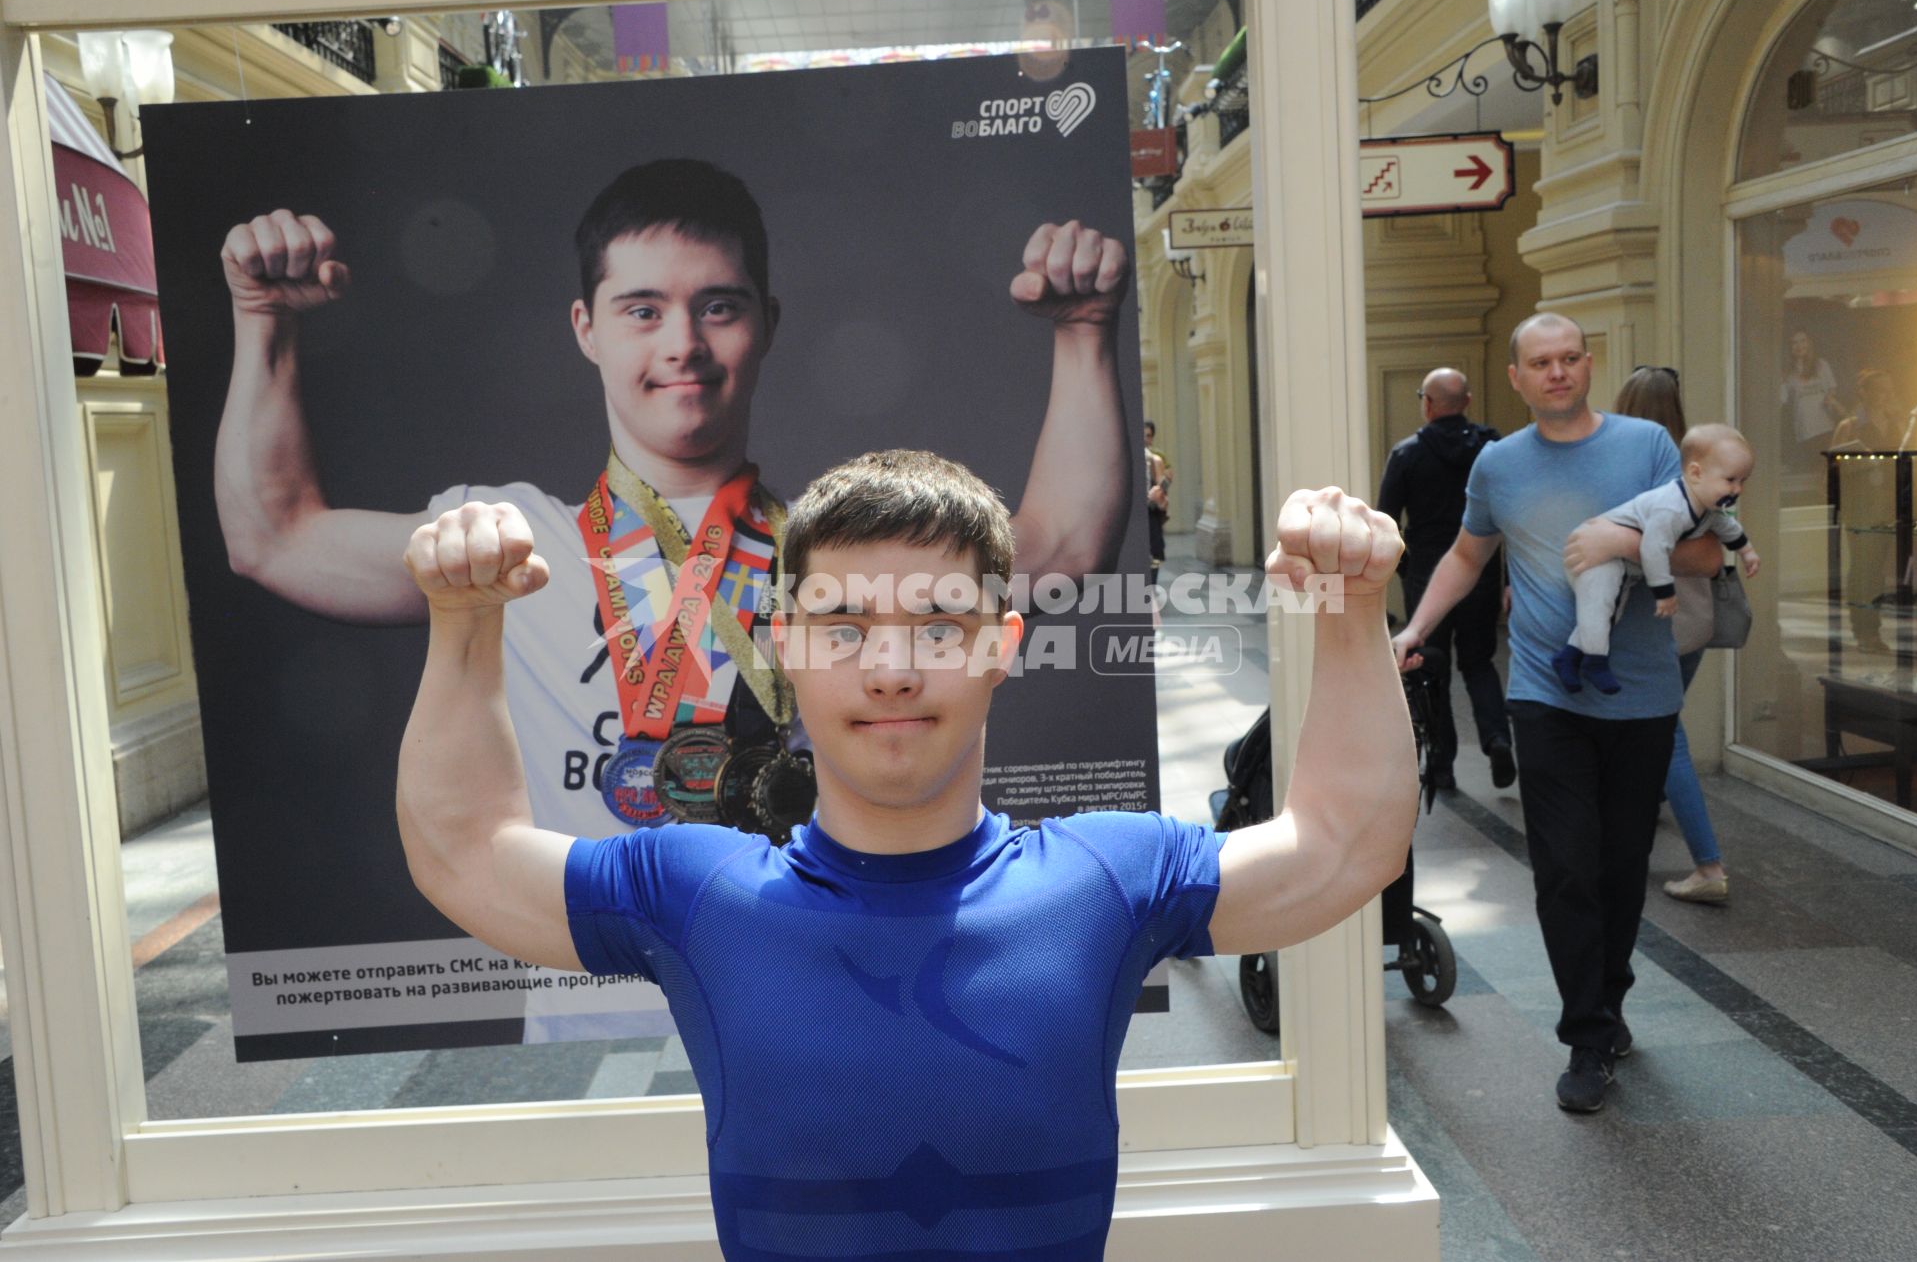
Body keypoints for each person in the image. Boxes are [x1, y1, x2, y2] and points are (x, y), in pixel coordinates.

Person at [393, 450, 1416, 1260]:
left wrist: (1355, 609)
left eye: (939, 625)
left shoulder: (1107, 879)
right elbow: (466, 851)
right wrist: (463, 621)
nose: (890, 668)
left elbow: (1345, 839)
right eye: (843, 626)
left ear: (1003, 644)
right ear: (785, 643)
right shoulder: (690, 892)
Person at [216, 160, 1137, 1043]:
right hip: (589, 1019)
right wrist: (261, 322)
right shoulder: (504, 543)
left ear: (766, 323)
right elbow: (275, 534)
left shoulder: (838, 554)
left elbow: (1059, 544)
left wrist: (1086, 328)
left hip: (816, 1006)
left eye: (719, 307)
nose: (683, 345)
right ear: (587, 327)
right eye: (642, 309)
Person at [1391, 314, 1723, 1114]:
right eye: (1541, 362)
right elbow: (1468, 555)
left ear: (1587, 365)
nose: (1558, 372)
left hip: (1641, 694)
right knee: (1567, 866)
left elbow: (1709, 553)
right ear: (1515, 376)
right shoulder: (1498, 464)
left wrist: (1619, 543)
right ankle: (1586, 1032)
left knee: (1618, 867)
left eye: (1571, 358)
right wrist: (1415, 627)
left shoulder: (1646, 446)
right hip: (1543, 693)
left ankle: (1608, 1000)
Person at [1614, 366, 1736, 903]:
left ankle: (1709, 867)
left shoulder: (1629, 470)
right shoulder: (1701, 468)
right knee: (1656, 734)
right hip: (1696, 620)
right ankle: (1635, 828)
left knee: (1668, 740)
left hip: (1653, 623)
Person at [1375, 367, 1513, 790]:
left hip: (1427, 579)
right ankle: (1496, 738)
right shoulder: (1492, 449)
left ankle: (1441, 765)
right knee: (1478, 661)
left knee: (1433, 669)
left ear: (1428, 404)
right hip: (1482, 574)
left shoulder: (1406, 454)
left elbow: (1385, 522)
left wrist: (1405, 569)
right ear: (1467, 402)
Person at [1549, 422, 1761, 696]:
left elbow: (1726, 527)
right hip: (1593, 553)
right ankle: (1594, 662)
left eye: (1743, 481)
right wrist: (1665, 594)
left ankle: (1570, 656)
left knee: (1609, 610)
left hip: (1619, 561)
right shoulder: (1671, 508)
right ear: (1696, 473)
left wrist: (1747, 552)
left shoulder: (1705, 507)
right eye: (1731, 480)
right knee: (1600, 606)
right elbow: (1653, 549)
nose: (1737, 490)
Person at [1831, 369, 1917, 653]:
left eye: (1888, 389)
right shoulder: (1850, 426)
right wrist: (1861, 460)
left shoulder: (1898, 423)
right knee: (1864, 571)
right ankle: (1865, 631)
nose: (1885, 395)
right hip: (1862, 509)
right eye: (1878, 389)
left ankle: (1879, 630)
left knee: (1883, 571)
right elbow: (1834, 466)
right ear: (1864, 392)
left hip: (1892, 506)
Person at [1781, 330, 1842, 477]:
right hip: (1804, 430)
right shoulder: (1788, 371)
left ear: (1809, 343)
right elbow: (1782, 399)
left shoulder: (1821, 365)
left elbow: (1832, 388)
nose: (1799, 346)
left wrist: (1830, 401)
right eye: (1794, 342)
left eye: (1802, 341)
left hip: (1824, 426)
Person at [1144, 418, 1171, 584]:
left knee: (1154, 555)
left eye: (1148, 435)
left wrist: (1160, 493)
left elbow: (1164, 498)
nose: (1145, 439)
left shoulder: (1156, 459)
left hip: (1151, 515)